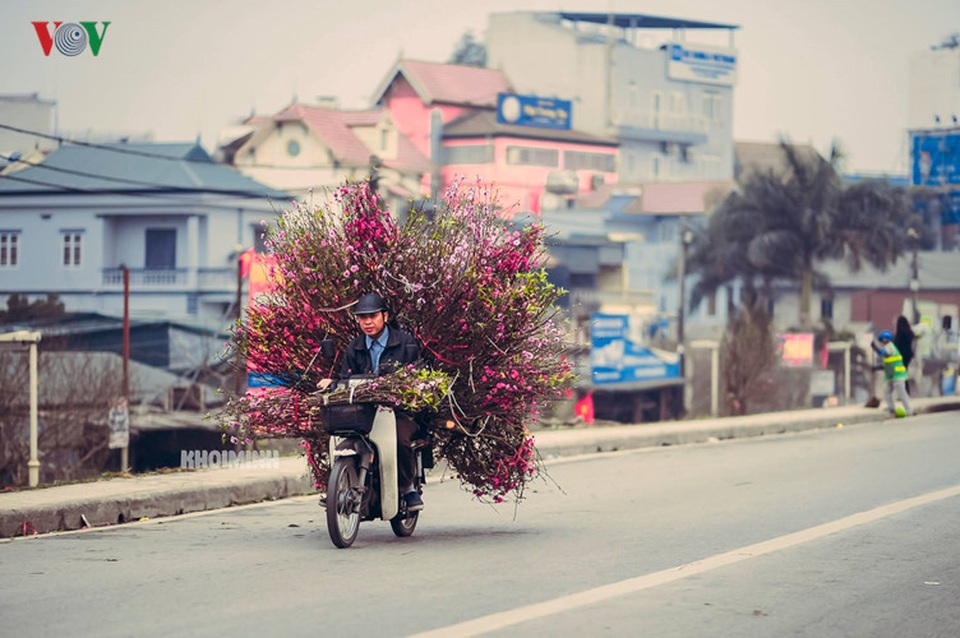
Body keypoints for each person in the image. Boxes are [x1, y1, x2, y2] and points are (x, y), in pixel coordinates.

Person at [318, 292, 424, 511]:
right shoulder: (354, 347)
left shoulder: (405, 342)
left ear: (384, 316)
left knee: (400, 440)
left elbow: (417, 374)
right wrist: (334, 383)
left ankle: (407, 488)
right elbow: (346, 378)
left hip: (398, 411)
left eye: (372, 316)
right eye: (362, 317)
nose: (367, 322)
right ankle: (338, 485)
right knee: (333, 437)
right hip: (363, 412)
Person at [872, 330, 913, 417]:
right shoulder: (888, 347)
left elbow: (883, 353)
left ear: (887, 340)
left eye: (883, 340)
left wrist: (875, 348)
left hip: (898, 375)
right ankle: (891, 408)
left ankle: (908, 410)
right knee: (887, 392)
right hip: (892, 375)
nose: (882, 342)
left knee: (901, 393)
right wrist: (877, 367)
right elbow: (887, 363)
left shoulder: (889, 347)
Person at [893, 315, 917, 394]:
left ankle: (903, 392)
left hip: (900, 357)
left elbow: (896, 345)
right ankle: (905, 392)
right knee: (904, 374)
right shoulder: (909, 333)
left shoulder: (899, 334)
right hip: (907, 357)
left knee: (900, 376)